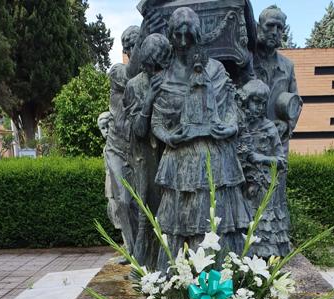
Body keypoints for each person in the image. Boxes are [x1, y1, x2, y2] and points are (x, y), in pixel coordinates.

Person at [149, 7, 251, 269]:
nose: (183, 42)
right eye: (178, 36)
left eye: (189, 36)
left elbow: (232, 109)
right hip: (180, 161)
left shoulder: (216, 70)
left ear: (197, 35)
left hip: (216, 157)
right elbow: (157, 122)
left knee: (216, 219)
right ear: (171, 36)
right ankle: (178, 280)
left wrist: (229, 127)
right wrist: (170, 137)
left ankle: (222, 278)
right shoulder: (164, 77)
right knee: (179, 222)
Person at [253, 5, 303, 250]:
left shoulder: (288, 65)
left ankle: (276, 245)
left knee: (276, 193)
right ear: (259, 27)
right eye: (269, 26)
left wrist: (287, 124)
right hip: (250, 141)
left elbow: (296, 101)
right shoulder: (245, 61)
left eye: (279, 27)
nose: (274, 32)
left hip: (278, 142)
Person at [122, 33, 172, 267]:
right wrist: (150, 98)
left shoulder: (172, 80)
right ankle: (143, 266)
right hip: (145, 159)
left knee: (171, 212)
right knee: (146, 214)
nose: (154, 71)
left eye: (158, 66)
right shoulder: (134, 86)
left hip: (170, 156)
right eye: (150, 66)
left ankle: (170, 263)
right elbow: (139, 130)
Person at [237, 79, 290, 257]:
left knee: (262, 224)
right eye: (255, 102)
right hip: (241, 185)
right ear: (246, 101)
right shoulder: (238, 126)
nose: (259, 107)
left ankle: (264, 260)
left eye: (262, 103)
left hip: (263, 185)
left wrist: (262, 158)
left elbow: (282, 161)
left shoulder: (268, 128)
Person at [105, 26, 141, 254]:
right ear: (127, 49)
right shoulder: (118, 71)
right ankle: (133, 251)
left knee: (143, 203)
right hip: (118, 149)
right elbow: (131, 76)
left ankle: (143, 250)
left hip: (139, 151)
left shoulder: (152, 78)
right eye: (136, 44)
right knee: (125, 202)